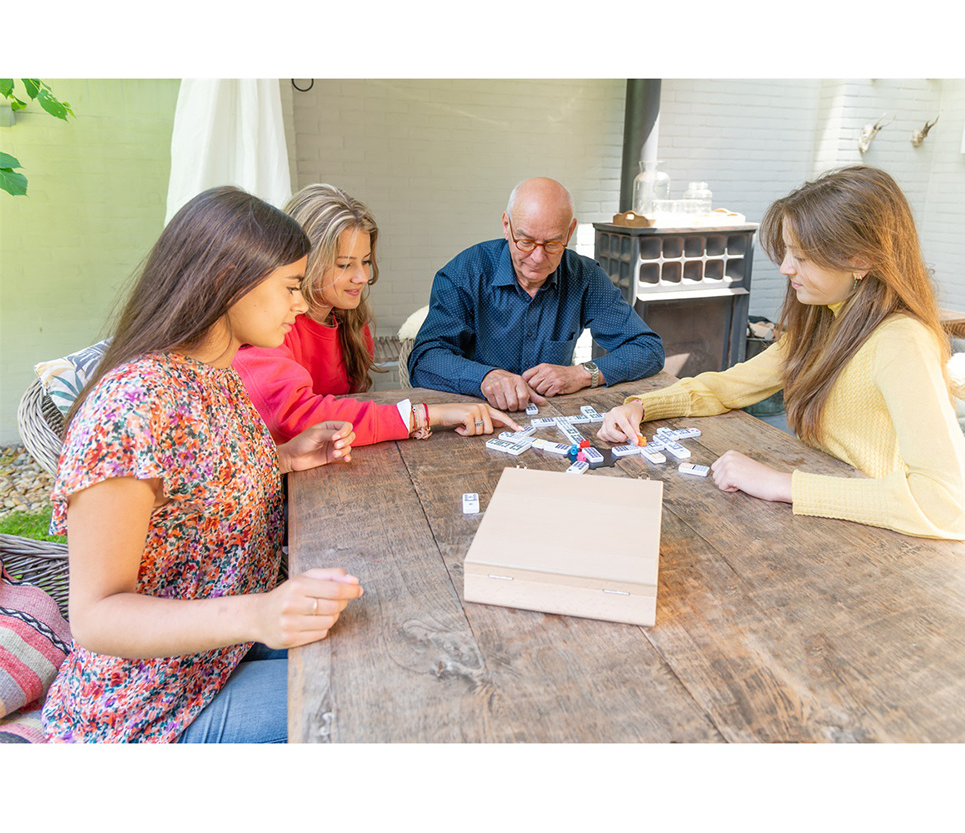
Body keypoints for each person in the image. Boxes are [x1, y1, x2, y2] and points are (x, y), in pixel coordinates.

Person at [42, 186, 363, 744]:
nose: (302, 304)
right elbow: (96, 617)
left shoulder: (213, 372)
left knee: (384, 641)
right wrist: (260, 614)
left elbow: (196, 487)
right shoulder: (130, 412)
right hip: (151, 705)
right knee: (366, 700)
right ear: (224, 283)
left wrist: (284, 458)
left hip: (220, 654)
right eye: (290, 286)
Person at [599, 165, 965, 540]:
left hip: (884, 541)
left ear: (861, 260)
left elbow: (950, 505)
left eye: (801, 256)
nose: (784, 268)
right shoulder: (826, 321)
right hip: (829, 526)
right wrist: (642, 407)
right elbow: (726, 387)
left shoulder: (902, 341)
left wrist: (780, 483)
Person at [233, 184, 519, 444]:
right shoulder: (266, 327)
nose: (362, 277)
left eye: (366, 261)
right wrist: (427, 415)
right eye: (345, 265)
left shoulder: (350, 322)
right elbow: (297, 416)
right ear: (304, 261)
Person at [407, 176, 665, 411]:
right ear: (506, 226)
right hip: (475, 413)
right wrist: (485, 378)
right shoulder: (464, 274)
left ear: (570, 231)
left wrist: (581, 374)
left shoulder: (584, 276)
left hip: (551, 417)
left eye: (553, 243)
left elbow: (648, 349)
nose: (538, 258)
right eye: (526, 242)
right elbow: (424, 360)